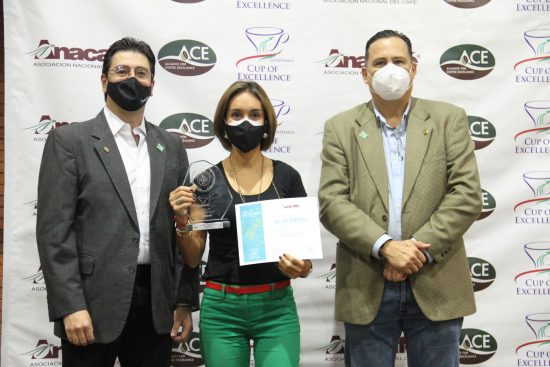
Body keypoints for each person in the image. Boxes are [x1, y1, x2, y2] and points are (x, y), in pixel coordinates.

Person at [318, 30, 482, 367]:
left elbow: (466, 195)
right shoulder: (341, 127)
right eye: (379, 63)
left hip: (436, 279)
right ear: (364, 74)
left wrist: (413, 250)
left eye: (398, 61)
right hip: (367, 281)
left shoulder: (448, 119)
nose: (390, 69)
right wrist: (386, 247)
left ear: (414, 67)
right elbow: (332, 201)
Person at [36, 37, 198, 367]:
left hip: (156, 305)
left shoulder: (171, 146)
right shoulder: (69, 142)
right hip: (91, 307)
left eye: (141, 73)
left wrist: (183, 301)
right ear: (103, 80)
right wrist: (70, 306)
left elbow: (180, 230)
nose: (132, 79)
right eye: (122, 70)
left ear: (152, 84)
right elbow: (55, 235)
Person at [169, 81, 312, 367]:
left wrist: (302, 267)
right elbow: (193, 256)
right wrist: (183, 219)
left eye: (255, 114)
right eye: (236, 114)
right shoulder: (207, 182)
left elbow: (305, 261)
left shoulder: (288, 177)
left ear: (267, 122)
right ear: (223, 123)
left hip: (276, 307)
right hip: (222, 309)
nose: (245, 122)